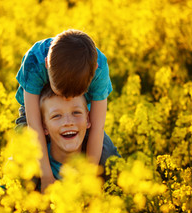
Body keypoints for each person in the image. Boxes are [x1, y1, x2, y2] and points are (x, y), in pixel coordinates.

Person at [15, 29, 115, 192]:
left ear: (95, 68)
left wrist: (87, 178)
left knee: (107, 153)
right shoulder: (35, 60)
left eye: (76, 93)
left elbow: (97, 128)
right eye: (61, 92)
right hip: (34, 113)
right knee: (23, 156)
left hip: (80, 112)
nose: (67, 98)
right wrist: (46, 175)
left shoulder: (100, 68)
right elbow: (34, 126)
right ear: (47, 63)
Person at [32, 84, 120, 191]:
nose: (68, 122)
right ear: (44, 127)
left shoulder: (104, 164)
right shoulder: (31, 166)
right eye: (56, 116)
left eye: (76, 112)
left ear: (88, 119)